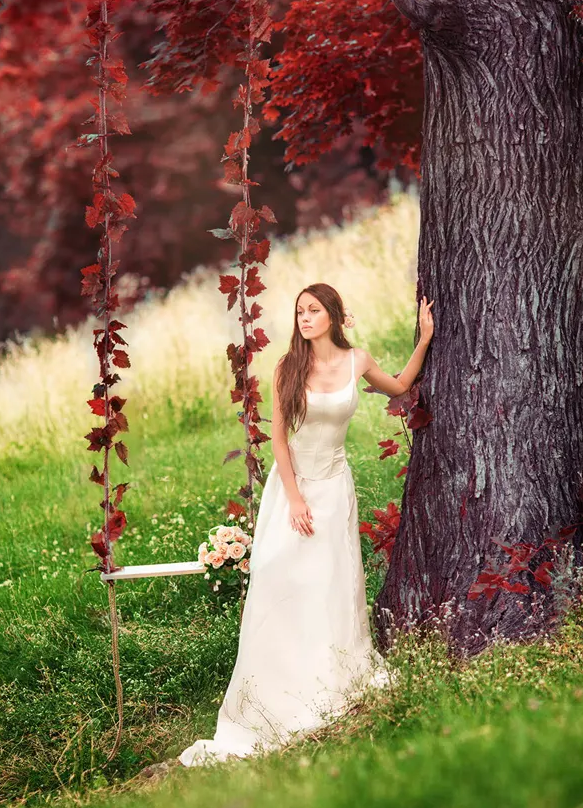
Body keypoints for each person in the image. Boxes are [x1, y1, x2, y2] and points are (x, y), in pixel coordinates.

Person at [178, 282, 435, 766]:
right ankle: (275, 693)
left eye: (314, 310)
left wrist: (424, 340)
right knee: (283, 580)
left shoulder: (357, 360)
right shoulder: (287, 367)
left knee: (331, 584)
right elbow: (277, 438)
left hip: (335, 487)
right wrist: (294, 500)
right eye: (300, 311)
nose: (305, 318)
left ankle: (330, 679)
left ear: (334, 315)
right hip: (293, 489)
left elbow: (400, 387)